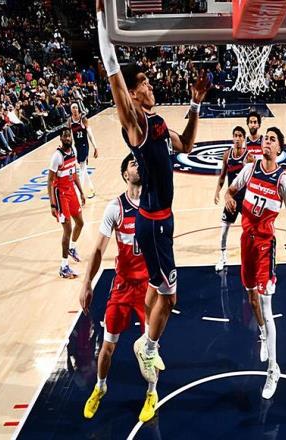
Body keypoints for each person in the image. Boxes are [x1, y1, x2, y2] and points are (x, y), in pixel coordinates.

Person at [96, 0, 210, 387]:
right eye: (143, 82)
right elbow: (113, 73)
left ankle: (147, 339)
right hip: (152, 224)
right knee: (171, 297)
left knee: (156, 287)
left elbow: (187, 145)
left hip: (164, 220)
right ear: (132, 93)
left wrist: (195, 104)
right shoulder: (136, 124)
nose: (150, 85)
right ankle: (147, 345)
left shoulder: (158, 123)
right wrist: (103, 20)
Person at [80, 154, 164, 422]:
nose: (138, 165)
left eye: (140, 162)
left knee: (151, 350)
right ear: (125, 174)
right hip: (123, 285)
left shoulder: (154, 202)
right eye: (133, 163)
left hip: (148, 287)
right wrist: (87, 282)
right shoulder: (115, 208)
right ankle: (100, 387)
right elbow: (98, 249)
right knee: (107, 346)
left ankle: (152, 393)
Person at [225, 127, 286, 399]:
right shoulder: (250, 169)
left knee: (267, 308)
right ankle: (264, 335)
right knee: (251, 298)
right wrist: (228, 197)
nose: (266, 141)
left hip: (266, 246)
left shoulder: (282, 181)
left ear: (279, 149)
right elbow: (231, 190)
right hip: (246, 241)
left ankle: (273, 370)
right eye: (265, 138)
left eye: (272, 139)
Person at [47, 127, 86, 278]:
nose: (68, 138)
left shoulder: (73, 151)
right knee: (67, 230)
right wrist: (52, 204)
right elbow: (50, 182)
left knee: (80, 223)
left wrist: (81, 192)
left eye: (69, 136)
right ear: (61, 139)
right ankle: (63, 267)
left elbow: (74, 174)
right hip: (61, 194)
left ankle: (72, 248)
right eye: (65, 136)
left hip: (71, 192)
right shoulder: (57, 156)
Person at [214, 126, 248, 271]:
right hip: (231, 199)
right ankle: (223, 257)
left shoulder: (249, 157)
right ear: (233, 137)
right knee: (224, 229)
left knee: (250, 231)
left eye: (240, 136)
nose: (237, 138)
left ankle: (251, 257)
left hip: (245, 200)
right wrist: (217, 191)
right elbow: (222, 176)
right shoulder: (227, 155)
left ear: (244, 139)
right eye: (236, 135)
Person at [68, 102, 99, 198]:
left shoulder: (83, 119)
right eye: (73, 108)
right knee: (83, 168)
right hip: (76, 146)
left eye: (76, 107)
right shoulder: (69, 121)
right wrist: (69, 148)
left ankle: (78, 194)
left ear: (78, 109)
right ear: (71, 110)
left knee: (81, 169)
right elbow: (69, 136)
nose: (75, 109)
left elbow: (90, 134)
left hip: (84, 145)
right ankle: (91, 189)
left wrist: (95, 147)